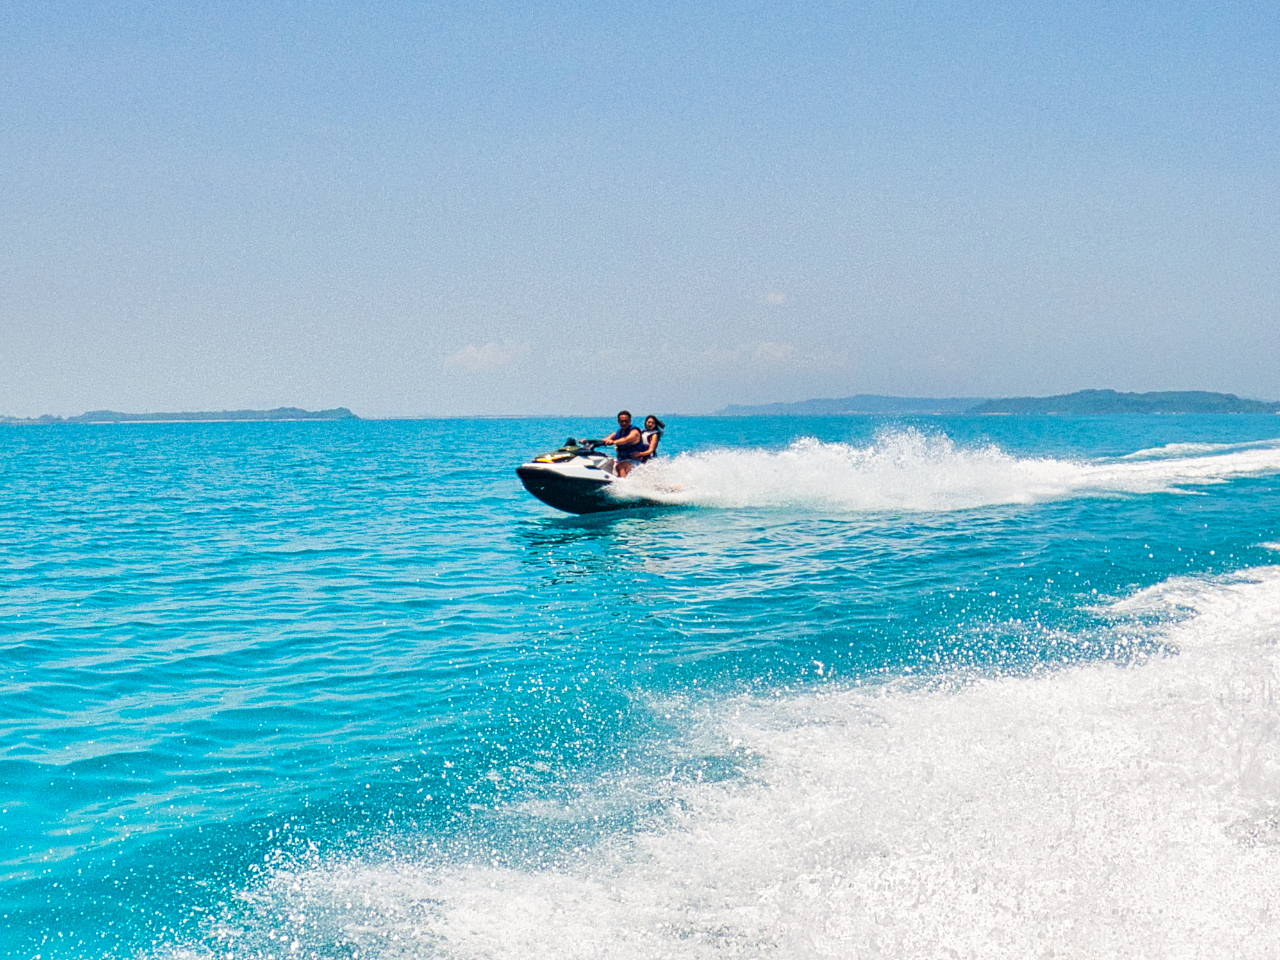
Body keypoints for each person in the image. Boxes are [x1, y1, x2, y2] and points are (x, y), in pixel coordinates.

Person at [600, 410, 643, 476]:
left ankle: (622, 485)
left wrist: (614, 442)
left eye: (626, 421)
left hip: (635, 462)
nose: (624, 423)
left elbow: (627, 439)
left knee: (621, 465)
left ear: (630, 421)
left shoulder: (634, 432)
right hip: (622, 460)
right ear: (618, 421)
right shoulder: (618, 433)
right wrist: (587, 442)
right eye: (622, 421)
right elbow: (604, 440)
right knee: (606, 462)